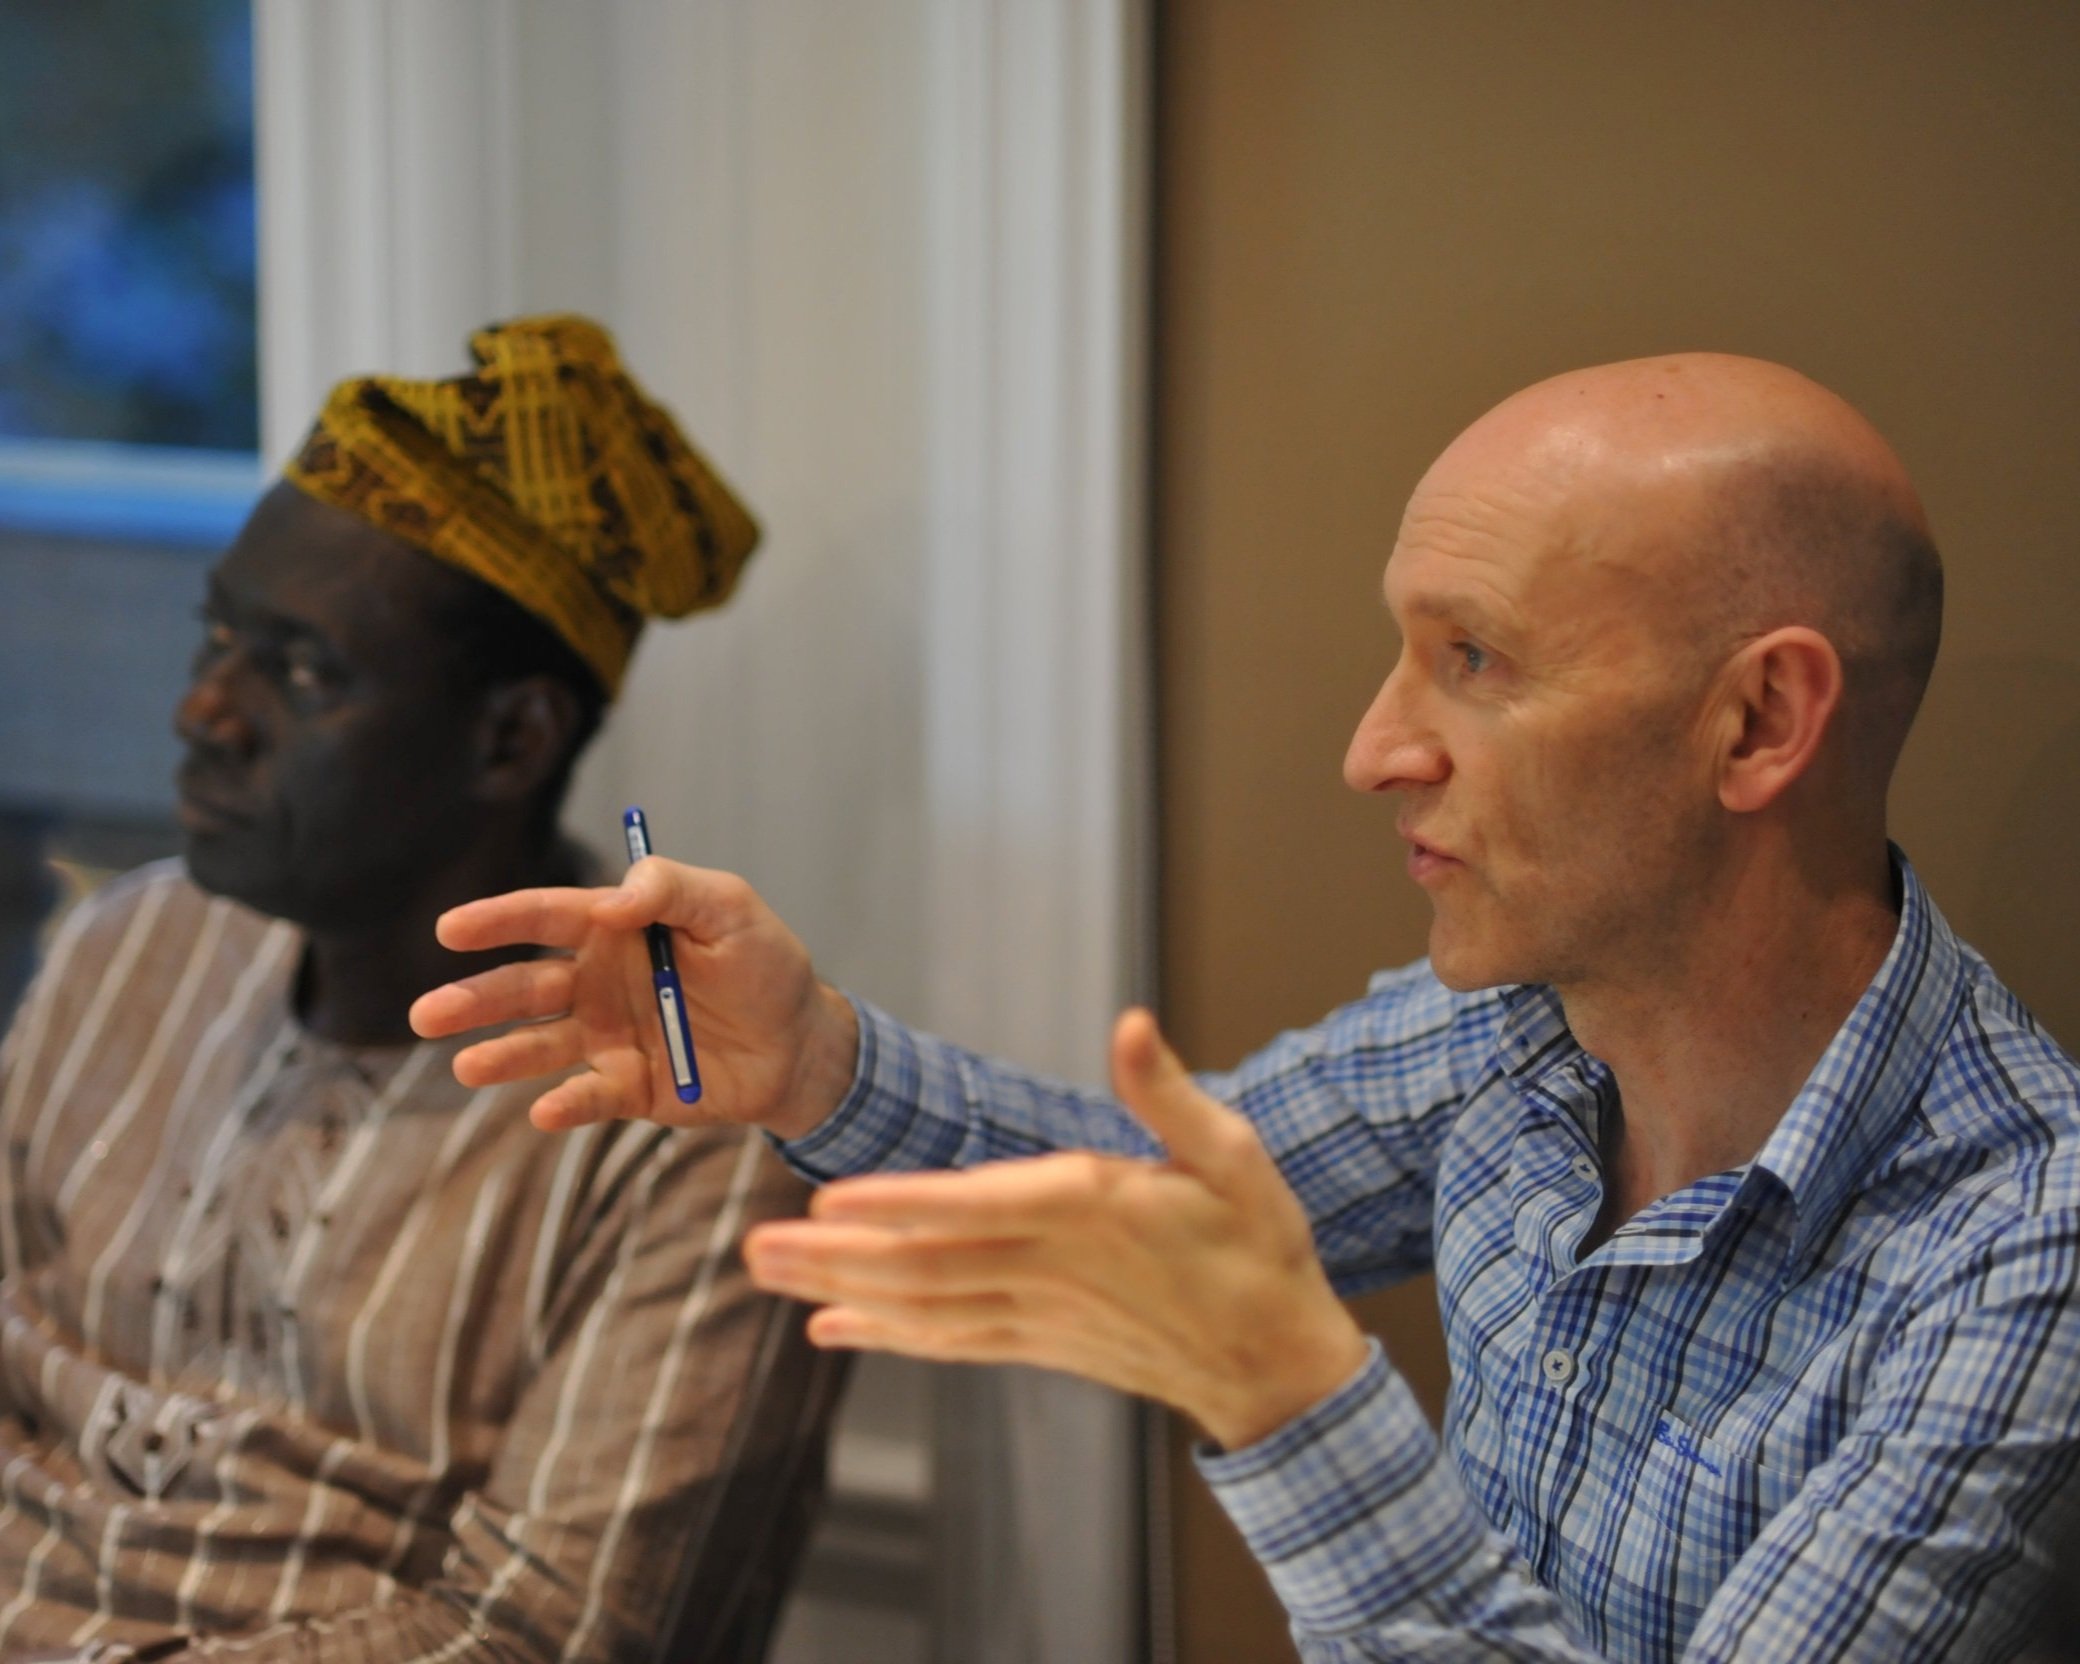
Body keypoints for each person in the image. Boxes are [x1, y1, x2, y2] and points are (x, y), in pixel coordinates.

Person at [414, 353, 2080, 1661]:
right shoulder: (1514, 1027)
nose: (1376, 749)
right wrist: (814, 1057)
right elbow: (1141, 1213)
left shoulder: (2023, 1262)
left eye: (1477, 662)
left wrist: (1296, 1408)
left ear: (1758, 726)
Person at [0, 315, 844, 1661]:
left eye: (298, 670)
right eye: (216, 636)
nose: (203, 711)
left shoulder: (693, 1127)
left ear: (510, 740)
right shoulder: (126, 952)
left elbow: (552, 1639)